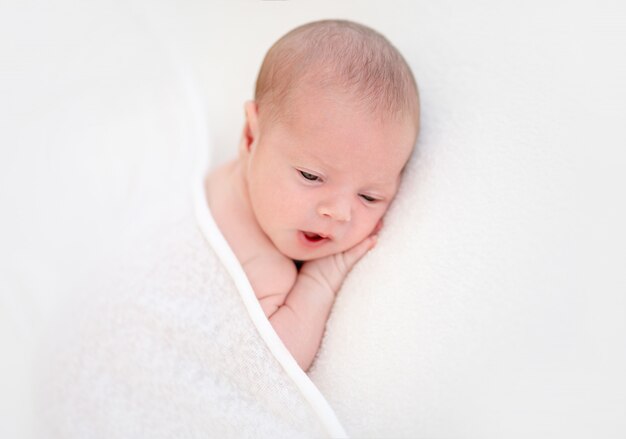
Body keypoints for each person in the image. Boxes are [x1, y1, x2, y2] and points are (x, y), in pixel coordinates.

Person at [206, 19, 420, 372]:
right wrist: (320, 280)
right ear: (250, 136)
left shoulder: (222, 180)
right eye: (311, 176)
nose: (338, 212)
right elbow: (268, 370)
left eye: (369, 197)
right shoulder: (267, 272)